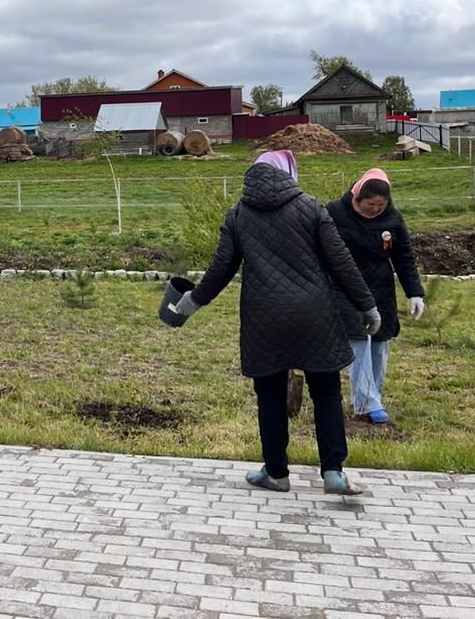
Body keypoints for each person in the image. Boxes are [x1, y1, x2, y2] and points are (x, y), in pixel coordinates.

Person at [166, 150, 378, 495]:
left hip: (263, 318)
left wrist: (191, 302)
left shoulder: (238, 215)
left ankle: (276, 472)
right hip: (316, 315)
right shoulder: (310, 207)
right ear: (287, 173)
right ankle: (333, 472)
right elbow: (340, 261)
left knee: (270, 396)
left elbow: (222, 268)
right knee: (326, 392)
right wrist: (368, 306)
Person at [325, 168, 425, 424]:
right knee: (359, 342)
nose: (375, 210)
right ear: (356, 198)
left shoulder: (392, 219)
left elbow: (403, 256)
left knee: (379, 343)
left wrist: (414, 292)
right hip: (346, 287)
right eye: (371, 205)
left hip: (380, 287)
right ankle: (368, 402)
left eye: (381, 205)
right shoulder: (334, 212)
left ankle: (370, 398)